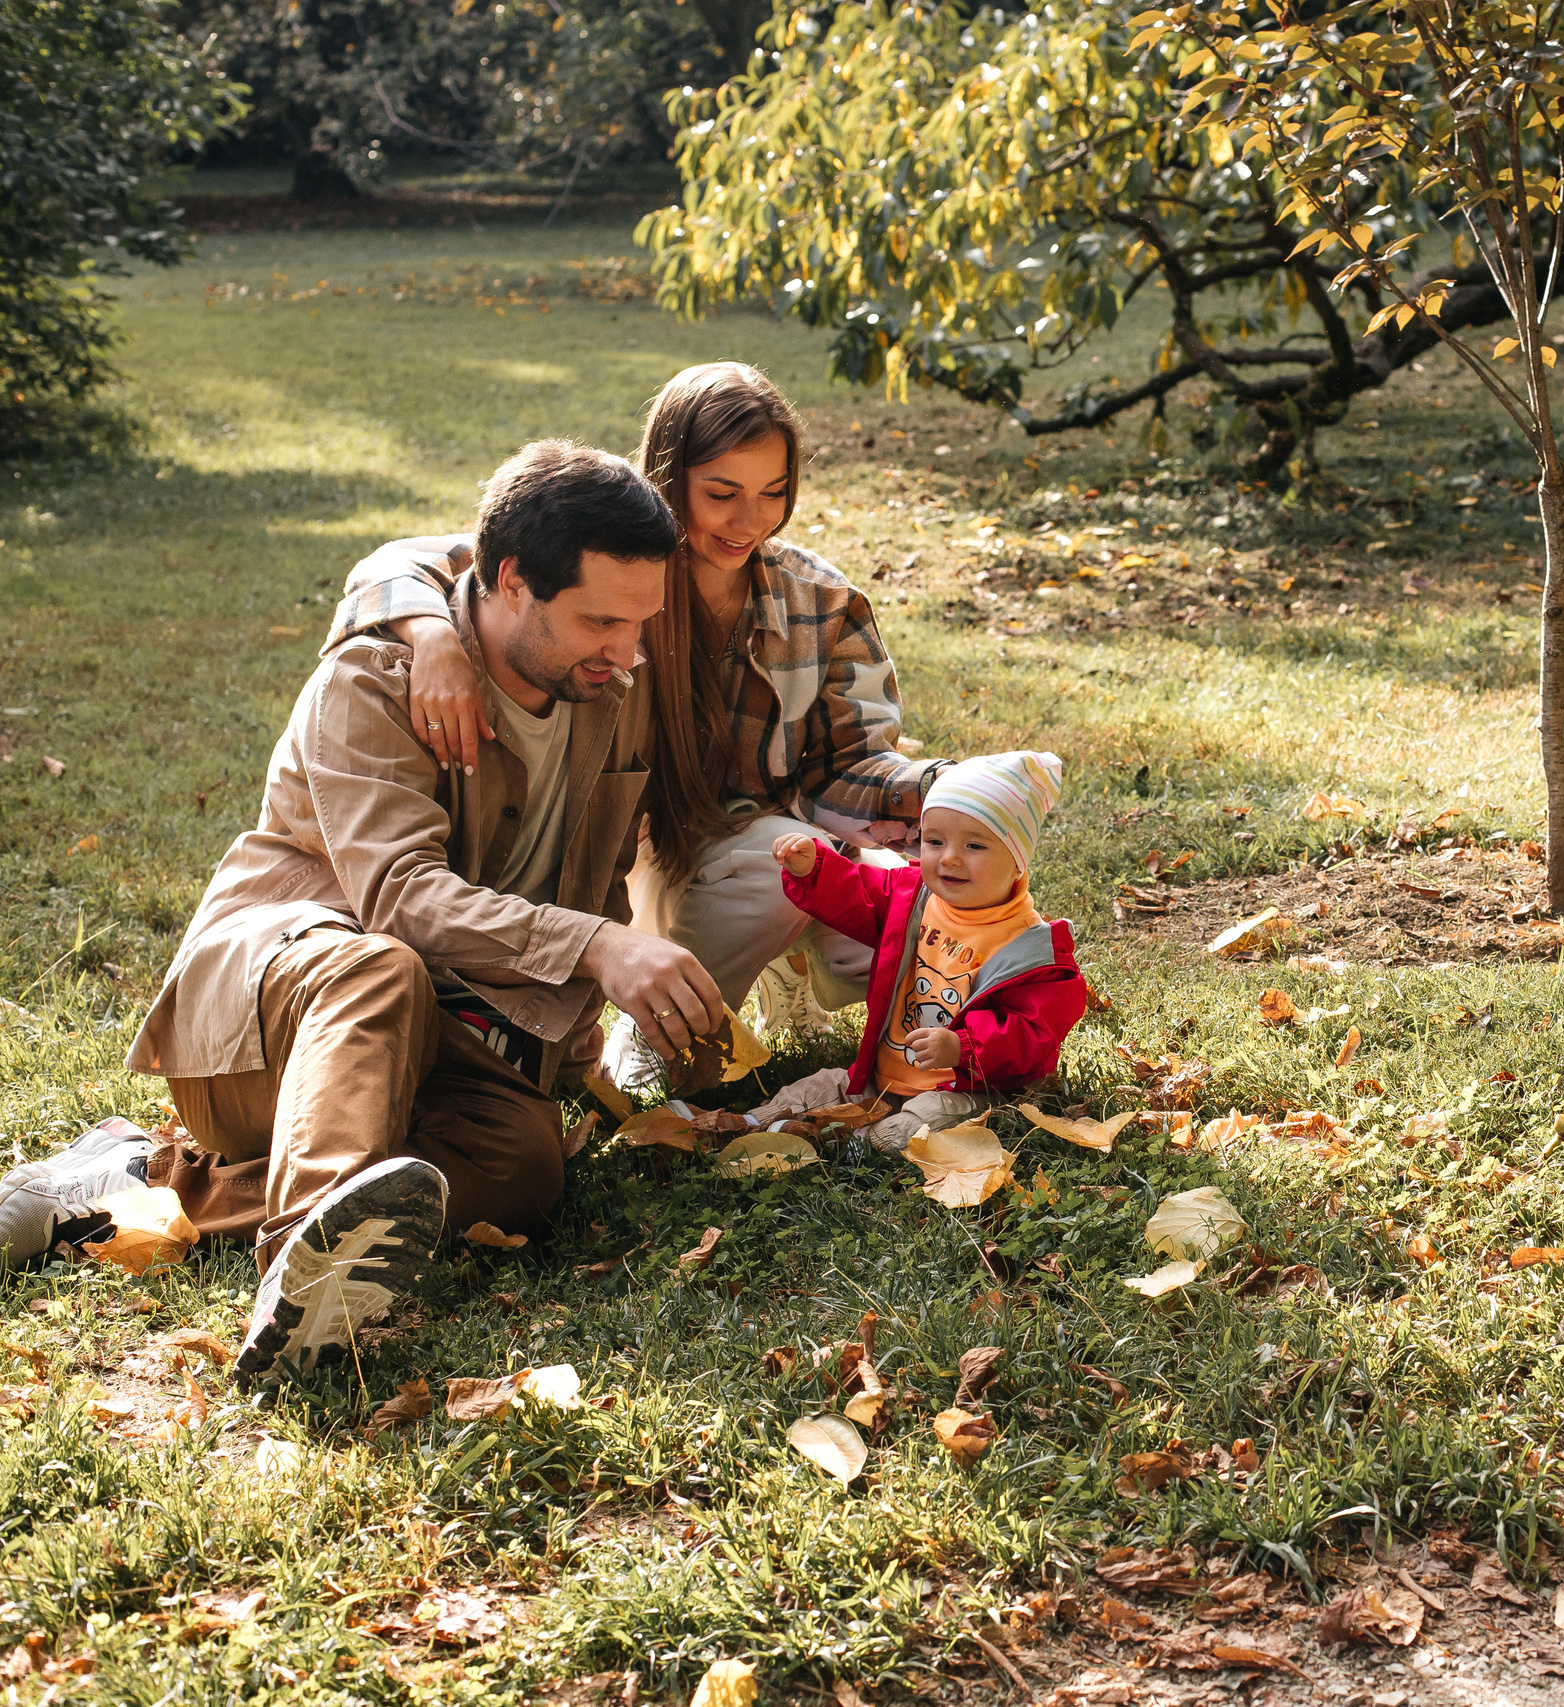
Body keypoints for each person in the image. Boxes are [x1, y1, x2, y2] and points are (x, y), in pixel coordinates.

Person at [0, 441, 723, 1385]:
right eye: (599, 622)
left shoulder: (604, 685)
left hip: (450, 1032)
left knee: (524, 1166)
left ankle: (152, 1178)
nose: (626, 655)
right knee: (379, 961)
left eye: (638, 625)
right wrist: (597, 948)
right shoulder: (378, 679)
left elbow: (594, 871)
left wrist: (580, 1047)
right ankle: (304, 1290)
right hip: (274, 1015)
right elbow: (400, 899)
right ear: (508, 582)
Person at [326, 362, 942, 1090]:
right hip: (673, 850)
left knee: (927, 923)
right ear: (669, 478)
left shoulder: (820, 601)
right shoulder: (615, 561)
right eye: (721, 495)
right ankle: (660, 1026)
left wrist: (938, 791)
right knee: (782, 863)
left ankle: (784, 964)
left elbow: (857, 760)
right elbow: (422, 560)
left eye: (774, 494)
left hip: (792, 840)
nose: (750, 521)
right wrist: (430, 635)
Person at [771, 751, 1086, 1151]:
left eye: (974, 845)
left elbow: (1032, 1035)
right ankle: (750, 1123)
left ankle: (855, 1147)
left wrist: (962, 1047)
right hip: (881, 1077)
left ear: (1018, 861)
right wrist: (815, 869)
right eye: (934, 841)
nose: (949, 857)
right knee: (823, 1084)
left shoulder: (1032, 952)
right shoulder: (915, 898)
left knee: (926, 1119)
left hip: (962, 1089)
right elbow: (860, 896)